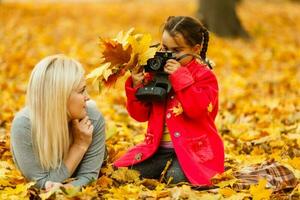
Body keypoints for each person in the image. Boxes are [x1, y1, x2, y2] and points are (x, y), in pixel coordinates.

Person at [114, 16, 224, 185]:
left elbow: (197, 111)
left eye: (177, 51)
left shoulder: (204, 76)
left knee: (175, 179)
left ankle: (172, 170)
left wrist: (181, 78)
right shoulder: (156, 72)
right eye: (165, 48)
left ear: (195, 49)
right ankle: (164, 168)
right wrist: (137, 85)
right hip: (157, 150)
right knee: (123, 174)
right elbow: (140, 115)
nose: (169, 55)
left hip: (193, 151)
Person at [10, 55, 106, 190]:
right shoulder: (24, 125)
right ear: (60, 97)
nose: (87, 97)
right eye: (81, 91)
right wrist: (79, 146)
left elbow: (89, 176)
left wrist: (65, 189)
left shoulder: (93, 118)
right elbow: (40, 184)